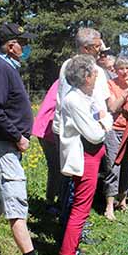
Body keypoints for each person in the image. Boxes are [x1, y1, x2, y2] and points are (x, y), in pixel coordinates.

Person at [0, 23, 64, 255]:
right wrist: (18, 136)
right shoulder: (1, 70)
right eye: (22, 42)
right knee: (17, 210)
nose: (25, 47)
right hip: (3, 150)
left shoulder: (4, 68)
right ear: (11, 45)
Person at [56, 55, 114, 255]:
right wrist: (104, 123)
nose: (97, 74)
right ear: (86, 76)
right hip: (84, 157)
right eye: (94, 71)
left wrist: (102, 119)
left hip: (90, 155)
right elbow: (94, 134)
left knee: (81, 205)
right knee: (81, 206)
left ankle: (72, 248)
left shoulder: (84, 96)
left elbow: (101, 113)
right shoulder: (74, 100)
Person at [53, 28, 112, 233]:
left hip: (70, 130)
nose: (100, 50)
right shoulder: (93, 70)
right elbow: (102, 106)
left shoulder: (67, 65)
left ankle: (69, 226)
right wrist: (103, 124)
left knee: (71, 182)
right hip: (85, 132)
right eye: (97, 47)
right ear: (86, 48)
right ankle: (74, 230)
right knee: (78, 186)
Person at [101, 56, 128, 220]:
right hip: (114, 129)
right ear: (115, 70)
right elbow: (112, 107)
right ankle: (109, 205)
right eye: (121, 68)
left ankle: (123, 200)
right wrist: (125, 96)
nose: (125, 71)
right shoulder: (110, 84)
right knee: (113, 167)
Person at [31, 79, 62, 215]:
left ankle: (59, 199)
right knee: (56, 167)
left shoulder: (62, 81)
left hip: (49, 128)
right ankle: (50, 202)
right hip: (48, 130)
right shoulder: (66, 82)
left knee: (58, 167)